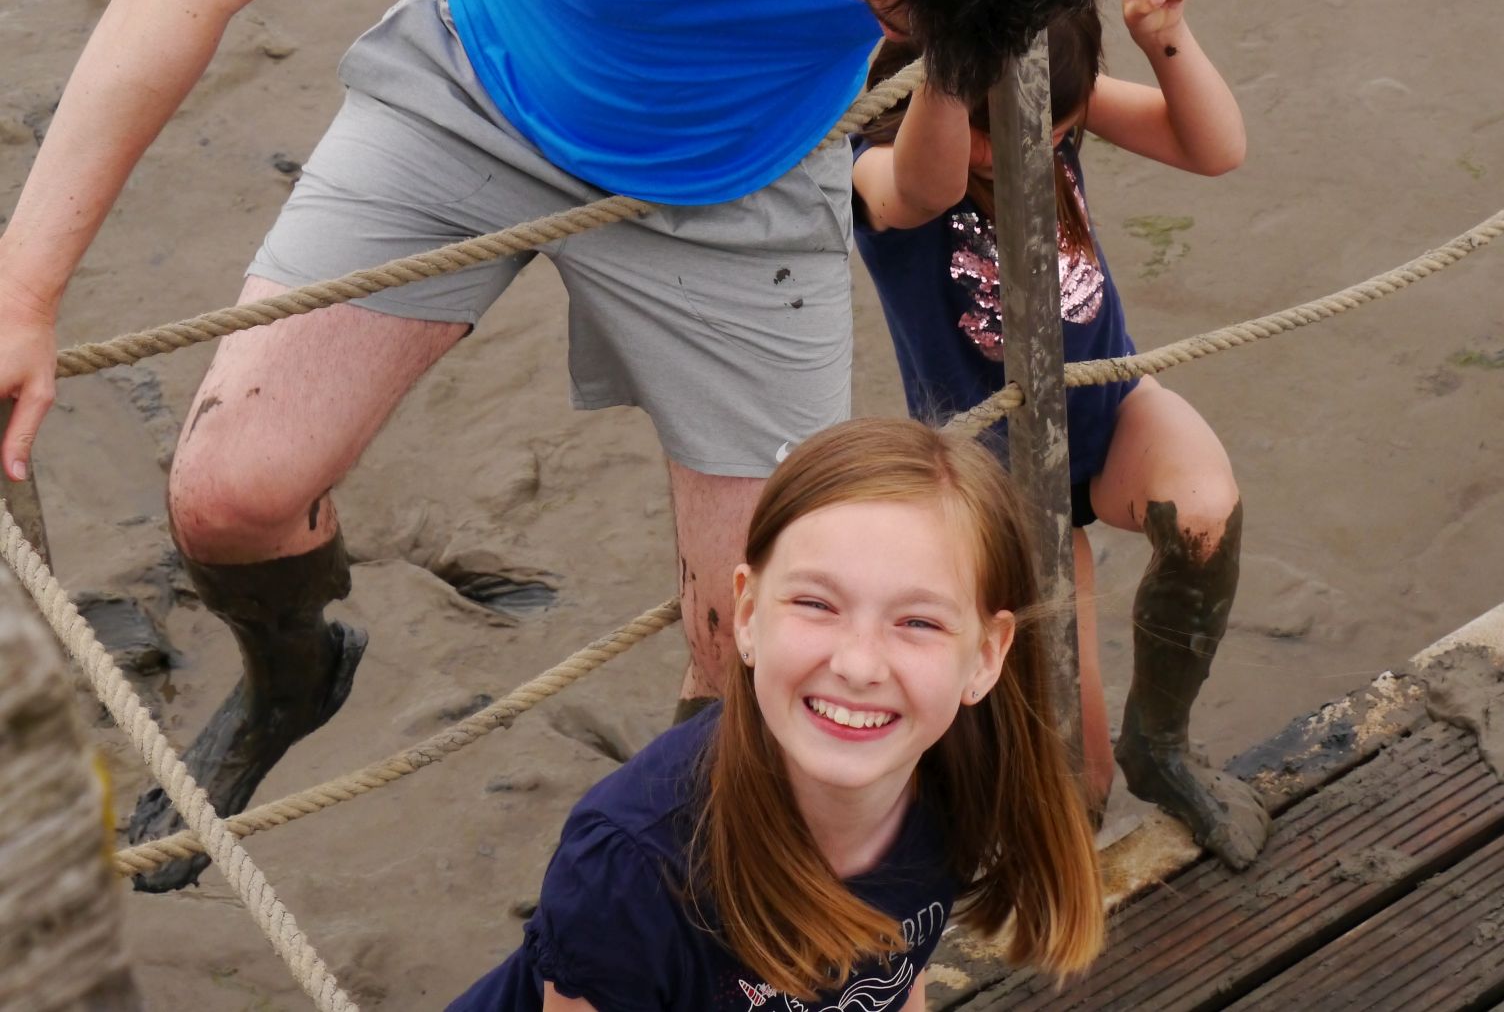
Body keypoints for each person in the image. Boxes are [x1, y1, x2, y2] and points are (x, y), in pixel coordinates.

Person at [0, 0, 1130, 889]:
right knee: (229, 494)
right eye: (889, 8)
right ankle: (291, 677)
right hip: (481, 96)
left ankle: (669, 907)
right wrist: (25, 286)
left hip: (747, 173)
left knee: (751, 645)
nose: (896, 37)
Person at [449, 417, 1104, 1010]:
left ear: (986, 657)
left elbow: (898, 981)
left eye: (917, 621)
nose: (858, 664)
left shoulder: (962, 777)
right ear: (745, 615)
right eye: (817, 604)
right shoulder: (629, 870)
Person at [851, 0, 1270, 867]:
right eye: (1005, 137)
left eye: (1059, 130)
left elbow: (1215, 149)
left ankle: (1160, 742)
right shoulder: (873, 159)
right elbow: (920, 188)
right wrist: (955, 79)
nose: (1038, 153)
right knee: (1069, 775)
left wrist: (1163, 39)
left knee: (1202, 516)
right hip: (1002, 481)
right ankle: (1043, 854)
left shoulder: (1046, 107)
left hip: (1107, 408)